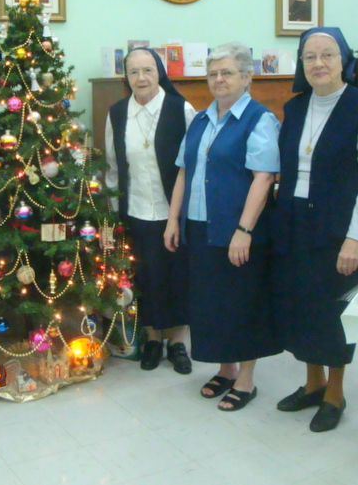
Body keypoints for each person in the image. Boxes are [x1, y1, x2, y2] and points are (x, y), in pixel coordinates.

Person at [272, 27, 358, 432]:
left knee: (333, 313)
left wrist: (355, 238)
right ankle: (313, 383)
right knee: (301, 307)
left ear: (344, 61)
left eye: (327, 55)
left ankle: (335, 393)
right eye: (310, 56)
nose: (318, 63)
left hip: (339, 228)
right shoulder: (295, 107)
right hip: (294, 222)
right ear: (302, 64)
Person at [163, 42, 281, 411]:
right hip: (200, 228)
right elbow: (184, 172)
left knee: (242, 302)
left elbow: (264, 178)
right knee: (211, 302)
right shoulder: (200, 119)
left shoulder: (259, 119)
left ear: (247, 77)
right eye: (213, 73)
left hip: (237, 230)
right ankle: (225, 369)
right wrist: (173, 220)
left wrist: (244, 231)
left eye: (227, 72)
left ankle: (245, 378)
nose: (218, 79)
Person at [105, 47, 196, 373]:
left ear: (159, 73)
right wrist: (112, 214)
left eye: (148, 70)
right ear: (126, 77)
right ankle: (153, 339)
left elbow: (193, 165)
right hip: (136, 210)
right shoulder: (117, 113)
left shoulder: (181, 109)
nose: (141, 78)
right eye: (134, 72)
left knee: (177, 276)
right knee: (145, 277)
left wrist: (183, 213)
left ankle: (178, 342)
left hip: (174, 212)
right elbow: (113, 168)